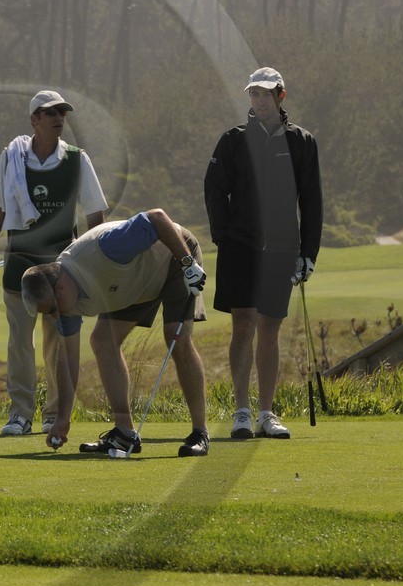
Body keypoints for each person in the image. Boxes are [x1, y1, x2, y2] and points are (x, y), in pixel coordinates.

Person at [18, 210, 210, 458]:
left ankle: (199, 432)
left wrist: (187, 263)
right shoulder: (65, 302)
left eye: (53, 309)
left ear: (60, 286)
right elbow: (67, 361)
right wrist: (63, 418)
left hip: (174, 258)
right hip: (132, 283)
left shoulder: (107, 248)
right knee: (102, 341)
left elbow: (157, 217)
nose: (55, 316)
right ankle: (124, 433)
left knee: (176, 337)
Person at [0, 89, 108, 438]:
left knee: (57, 343)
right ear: (34, 120)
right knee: (20, 341)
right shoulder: (12, 158)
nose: (58, 118)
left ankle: (53, 414)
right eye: (50, 113)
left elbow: (96, 213)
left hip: (61, 265)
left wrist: (98, 260)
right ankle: (20, 413)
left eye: (62, 112)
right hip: (19, 261)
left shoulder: (77, 159)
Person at [204, 66, 323, 442]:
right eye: (253, 95)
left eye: (265, 94)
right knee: (243, 325)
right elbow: (213, 190)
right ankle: (241, 411)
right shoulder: (233, 140)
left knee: (270, 329)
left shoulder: (301, 142)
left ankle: (266, 413)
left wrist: (309, 252)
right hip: (240, 247)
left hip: (282, 249)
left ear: (280, 96)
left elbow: (312, 200)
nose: (258, 101)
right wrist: (223, 236)